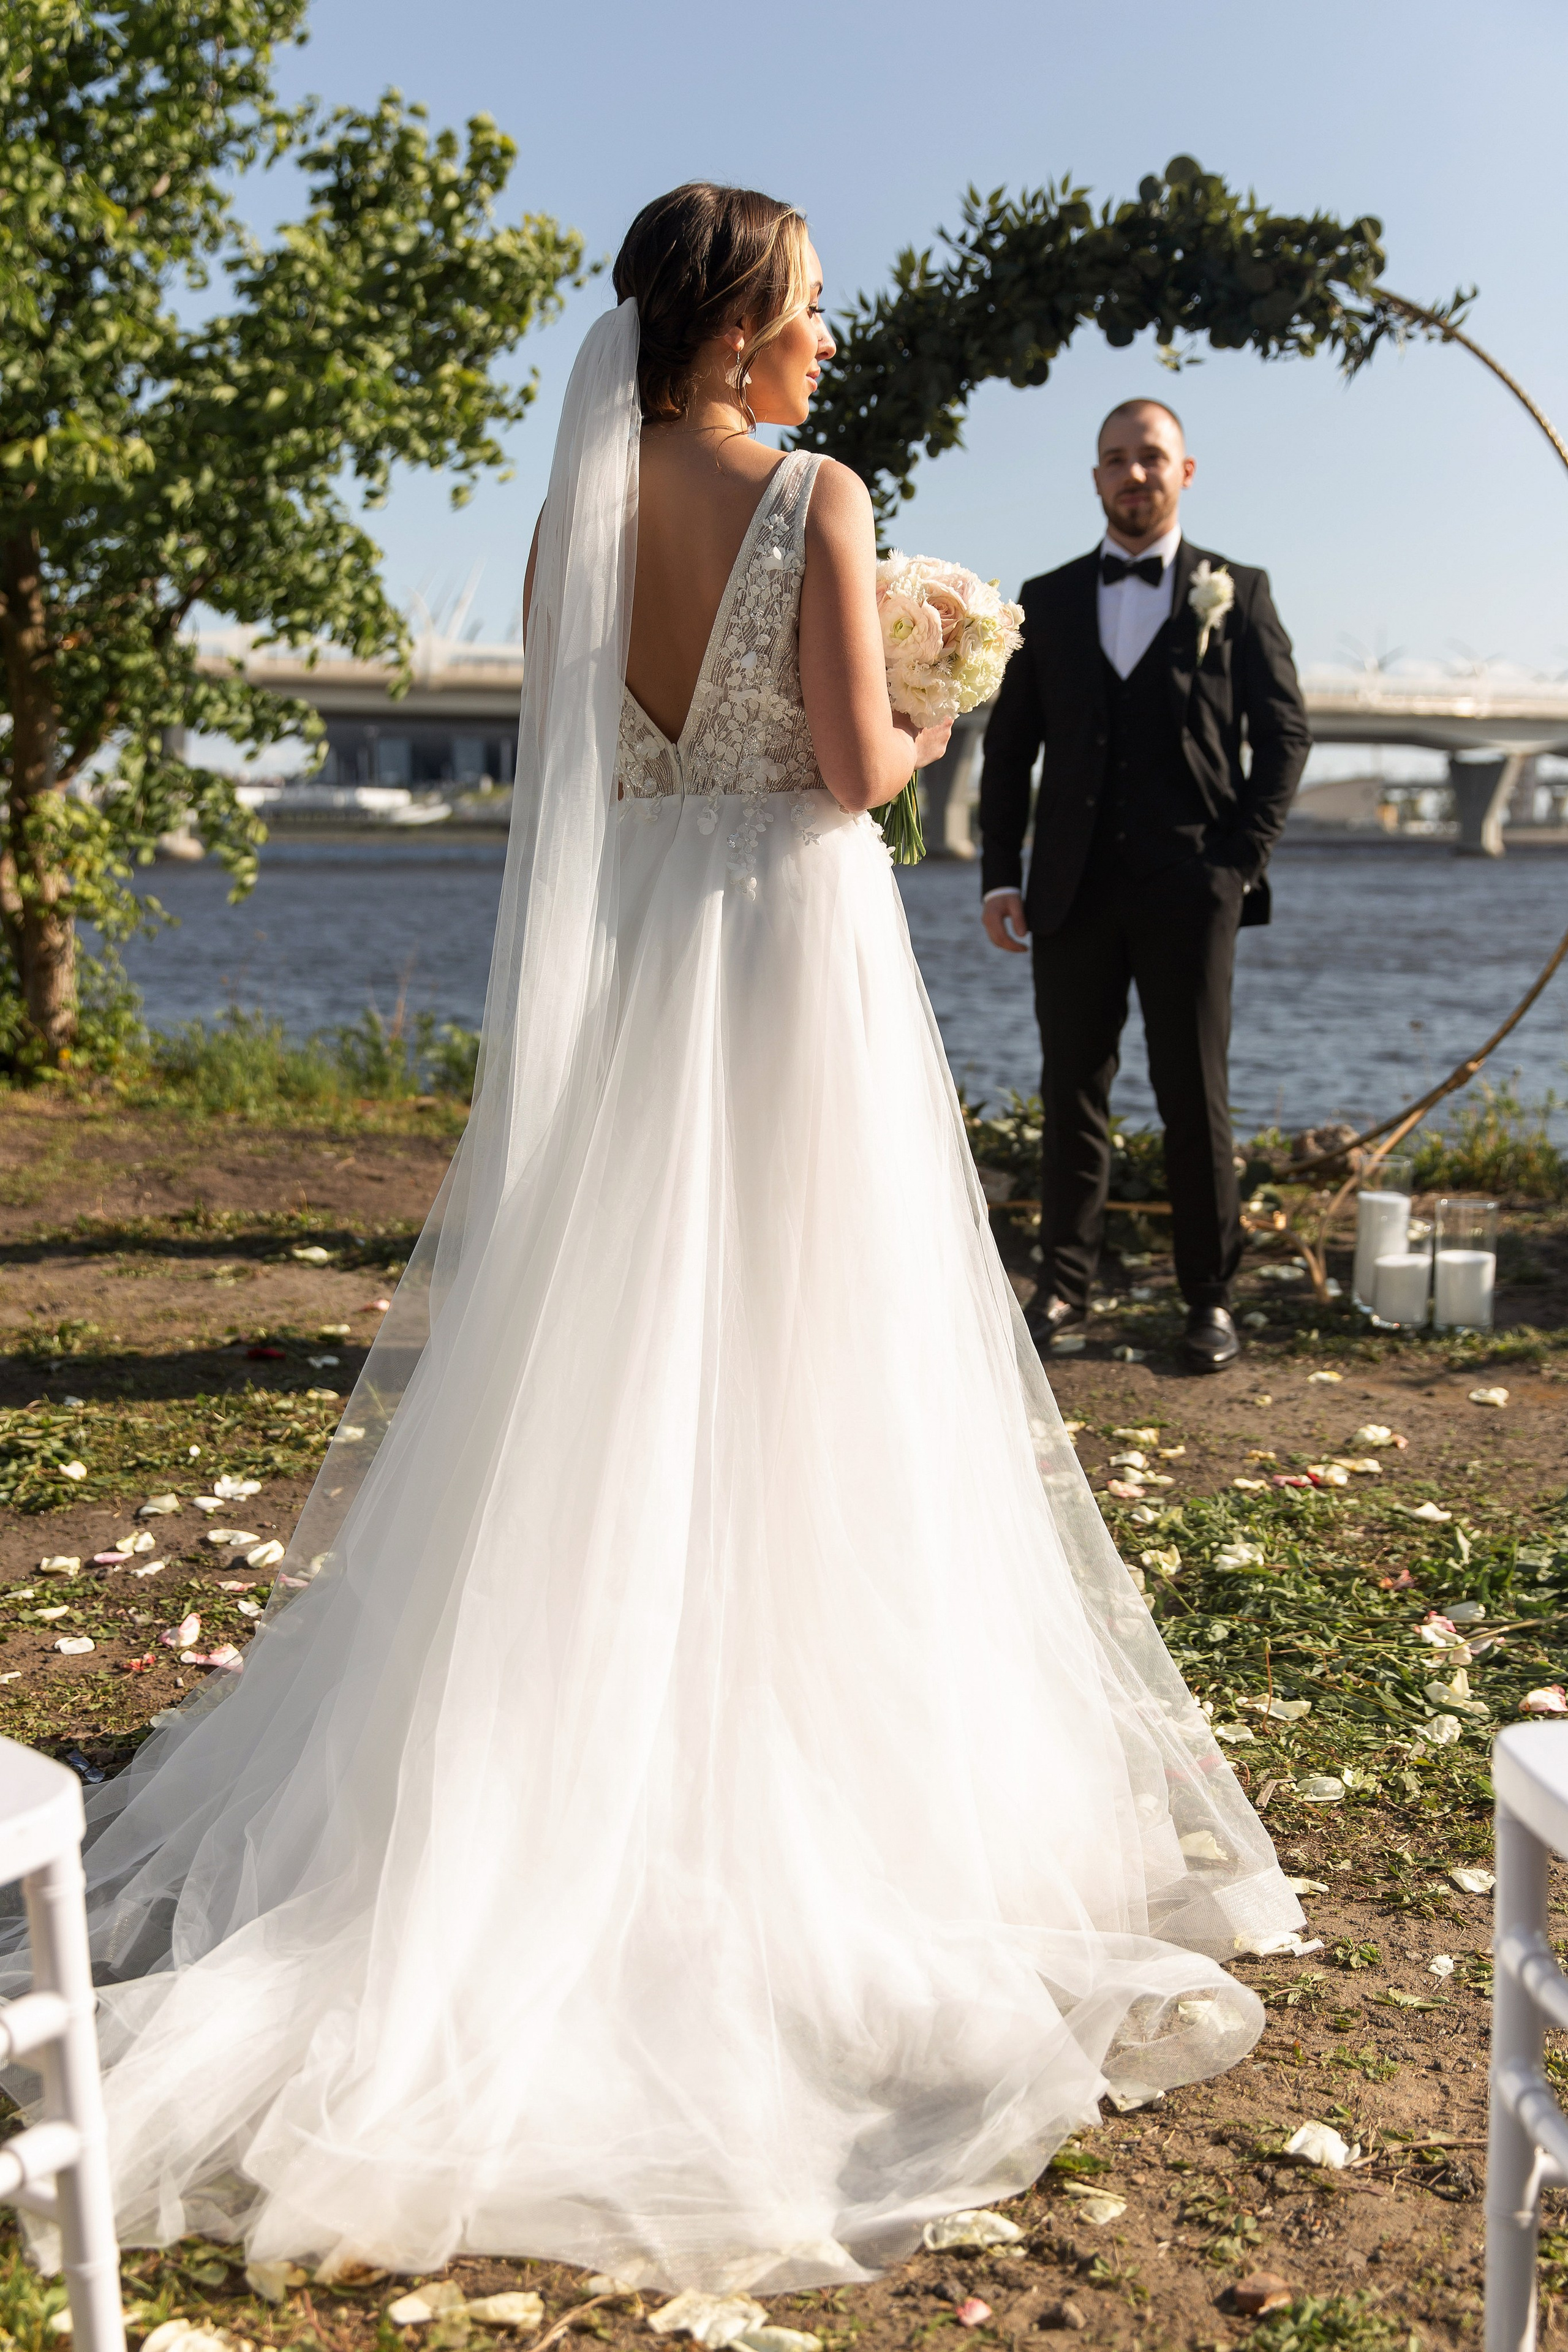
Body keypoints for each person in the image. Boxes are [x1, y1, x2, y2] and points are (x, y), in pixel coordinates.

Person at [2, 192, 1300, 2292]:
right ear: (750, 329)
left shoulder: (570, 523)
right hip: (791, 953)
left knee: (621, 1351)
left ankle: (588, 1725)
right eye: (809, 308)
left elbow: (603, 762)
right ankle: (809, 1779)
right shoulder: (820, 494)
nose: (825, 337)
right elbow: (852, 768)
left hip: (643, 984)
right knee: (818, 1349)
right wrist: (946, 703)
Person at [978, 400, 1311, 1373]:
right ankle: (1064, 1287)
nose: (1135, 475)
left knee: (1192, 1094)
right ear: (1095, 480)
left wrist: (1240, 860)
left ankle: (1208, 1299)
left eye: (1151, 458)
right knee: (1072, 1090)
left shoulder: (1237, 593)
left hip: (1191, 887)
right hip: (1069, 890)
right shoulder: (1043, 599)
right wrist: (1003, 874)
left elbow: (1284, 736)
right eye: (1116, 461)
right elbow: (1009, 755)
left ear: (1186, 471)